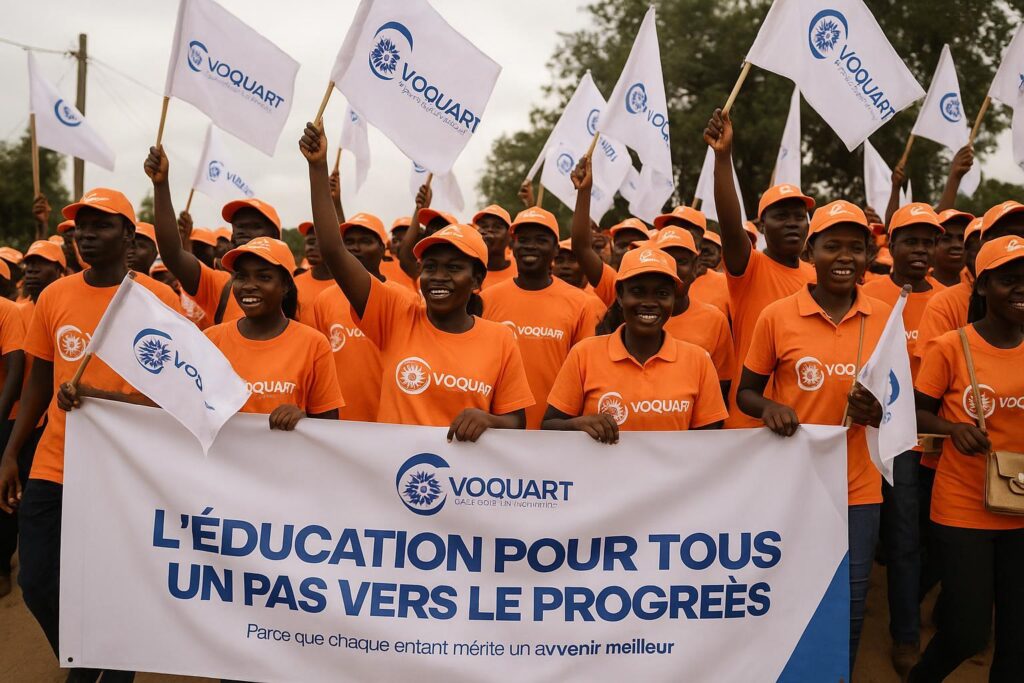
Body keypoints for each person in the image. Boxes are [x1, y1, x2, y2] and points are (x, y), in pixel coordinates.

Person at [0, 188, 181, 682]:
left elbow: (174, 395)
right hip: (56, 463)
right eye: (82, 226)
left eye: (101, 225)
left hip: (126, 468)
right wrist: (11, 452)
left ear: (128, 235)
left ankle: (110, 667)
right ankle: (88, 656)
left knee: (115, 585)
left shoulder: (158, 299)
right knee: (37, 581)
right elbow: (38, 381)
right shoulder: (55, 296)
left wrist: (104, 399)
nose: (86, 235)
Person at [301, 122, 533, 439]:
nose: (438, 277)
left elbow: (517, 422)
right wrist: (318, 168)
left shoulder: (500, 340)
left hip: (462, 471)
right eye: (431, 266)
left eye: (453, 268)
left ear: (477, 279)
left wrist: (487, 420)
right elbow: (334, 252)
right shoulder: (397, 315)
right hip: (390, 469)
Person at [736, 200, 890, 674]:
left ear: (867, 256)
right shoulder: (777, 316)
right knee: (788, 592)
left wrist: (879, 412)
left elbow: (900, 406)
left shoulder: (885, 318)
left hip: (859, 486)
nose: (844, 257)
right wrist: (770, 408)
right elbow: (745, 393)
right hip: (792, 484)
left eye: (855, 248)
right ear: (810, 251)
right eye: (832, 246)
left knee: (852, 599)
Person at [908, 235, 1024, 682]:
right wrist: (952, 428)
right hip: (964, 507)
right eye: (1009, 280)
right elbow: (915, 413)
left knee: (1017, 639)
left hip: (1021, 508)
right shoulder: (951, 347)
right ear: (982, 286)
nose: (1020, 289)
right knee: (967, 630)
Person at [861, 202, 944, 673]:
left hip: (911, 441)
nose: (920, 250)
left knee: (906, 537)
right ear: (890, 245)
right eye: (910, 240)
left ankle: (906, 637)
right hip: (858, 435)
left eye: (928, 242)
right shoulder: (867, 292)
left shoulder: (947, 302)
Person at [703, 108, 817, 428]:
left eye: (799, 217)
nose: (792, 223)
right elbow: (729, 224)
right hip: (751, 422)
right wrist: (723, 157)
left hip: (803, 420)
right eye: (781, 216)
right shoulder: (749, 267)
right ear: (762, 226)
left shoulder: (817, 278)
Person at [542, 246, 727, 439]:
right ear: (620, 296)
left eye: (662, 293)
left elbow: (709, 439)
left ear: (673, 299)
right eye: (638, 292)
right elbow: (549, 425)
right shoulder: (584, 354)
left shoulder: (698, 361)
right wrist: (578, 424)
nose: (649, 302)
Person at [202, 237, 343, 429]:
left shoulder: (314, 344)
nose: (249, 285)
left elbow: (329, 425)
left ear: (285, 286)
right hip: (223, 449)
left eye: (264, 277)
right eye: (241, 276)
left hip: (288, 450)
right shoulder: (211, 340)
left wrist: (303, 420)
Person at [480, 207, 597, 428]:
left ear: (555, 250)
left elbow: (585, 373)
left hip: (556, 434)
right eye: (523, 240)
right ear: (512, 246)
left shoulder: (581, 303)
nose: (530, 246)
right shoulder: (486, 299)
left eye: (541, 240)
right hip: (498, 433)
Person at [145, 146, 281, 326]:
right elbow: (173, 256)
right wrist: (161, 185)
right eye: (239, 227)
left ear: (276, 237)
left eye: (255, 226)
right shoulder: (220, 285)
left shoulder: (295, 288)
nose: (243, 232)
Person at [596, 227, 734, 400]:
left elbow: (720, 387)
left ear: (695, 266)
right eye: (664, 257)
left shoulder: (712, 326)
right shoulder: (626, 318)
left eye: (680, 261)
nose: (672, 267)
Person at [312, 212, 416, 422]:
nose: (356, 248)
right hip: (340, 421)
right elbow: (321, 364)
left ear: (383, 249)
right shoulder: (324, 299)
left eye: (365, 241)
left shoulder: (407, 298)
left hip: (390, 421)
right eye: (349, 242)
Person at [0, 257, 25, 598]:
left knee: (3, 496)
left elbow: (16, 369)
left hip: (8, 418)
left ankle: (2, 565)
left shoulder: (7, 311)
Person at [553, 239, 607, 322]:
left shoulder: (600, 298)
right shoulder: (542, 298)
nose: (565, 266)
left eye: (572, 260)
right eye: (559, 260)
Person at [294, 221, 336, 327]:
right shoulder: (295, 284)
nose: (312, 247)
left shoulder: (349, 285)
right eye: (310, 242)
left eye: (320, 242)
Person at [474, 205, 518, 290]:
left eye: (497, 227)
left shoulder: (521, 269)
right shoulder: (468, 272)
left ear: (509, 237)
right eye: (484, 226)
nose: (489, 230)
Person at [930, 210, 973, 288]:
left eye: (962, 238)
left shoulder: (978, 286)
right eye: (946, 239)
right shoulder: (913, 286)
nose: (957, 245)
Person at [379, 217, 418, 294]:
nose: (397, 245)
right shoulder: (377, 258)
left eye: (404, 241)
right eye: (395, 240)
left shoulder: (420, 264)